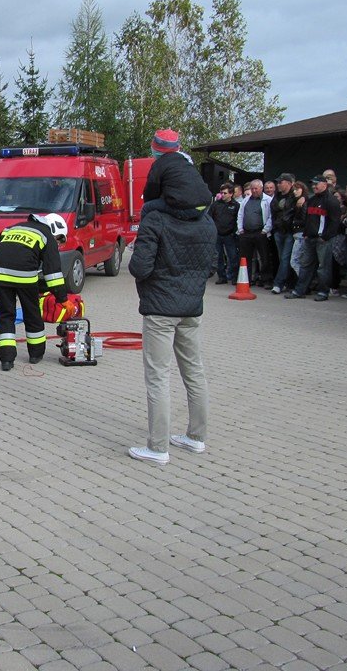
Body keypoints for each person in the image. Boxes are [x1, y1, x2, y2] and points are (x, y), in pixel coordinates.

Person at [127, 165, 215, 466]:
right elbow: (209, 267)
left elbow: (139, 267)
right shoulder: (207, 223)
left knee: (158, 377)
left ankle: (157, 447)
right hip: (192, 308)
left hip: (160, 310)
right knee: (195, 372)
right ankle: (196, 437)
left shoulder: (155, 220)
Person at [0, 213, 73, 370]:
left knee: (6, 315)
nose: (58, 244)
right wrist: (63, 299)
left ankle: (6, 360)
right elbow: (53, 274)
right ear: (54, 229)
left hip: (0, 273)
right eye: (59, 239)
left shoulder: (14, 227)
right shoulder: (46, 235)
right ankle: (36, 354)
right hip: (25, 276)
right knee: (32, 313)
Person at [286, 175, 341, 301]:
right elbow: (308, 219)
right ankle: (300, 290)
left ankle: (323, 292)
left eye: (316, 184)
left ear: (324, 184)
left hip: (323, 239)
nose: (314, 186)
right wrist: (306, 233)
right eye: (313, 184)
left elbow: (334, 222)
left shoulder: (331, 201)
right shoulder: (311, 199)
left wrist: (326, 237)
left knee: (323, 267)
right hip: (309, 237)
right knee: (305, 265)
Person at [141, 129, 212, 216]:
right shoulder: (185, 160)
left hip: (187, 206)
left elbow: (151, 192)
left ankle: (147, 230)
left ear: (156, 148)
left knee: (146, 207)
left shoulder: (159, 164)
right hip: (205, 204)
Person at [236, 179, 272, 287]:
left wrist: (265, 230)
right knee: (246, 258)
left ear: (261, 188)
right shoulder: (246, 200)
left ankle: (265, 280)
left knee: (264, 257)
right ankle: (247, 279)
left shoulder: (268, 200)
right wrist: (240, 228)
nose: (254, 190)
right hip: (246, 233)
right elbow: (240, 215)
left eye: (256, 188)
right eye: (252, 188)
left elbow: (271, 216)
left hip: (260, 232)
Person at [270, 173, 297, 294]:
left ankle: (278, 283)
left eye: (281, 182)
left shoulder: (295, 196)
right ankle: (289, 282)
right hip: (278, 230)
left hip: (289, 231)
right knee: (283, 259)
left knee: (286, 258)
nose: (278, 184)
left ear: (289, 183)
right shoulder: (277, 197)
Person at [209, 183, 239, 285]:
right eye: (221, 192)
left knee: (233, 257)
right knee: (218, 258)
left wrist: (234, 232)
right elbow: (209, 218)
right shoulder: (216, 204)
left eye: (225, 193)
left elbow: (237, 220)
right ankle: (222, 277)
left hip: (229, 235)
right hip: (217, 235)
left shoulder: (236, 205)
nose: (223, 195)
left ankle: (234, 277)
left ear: (231, 194)